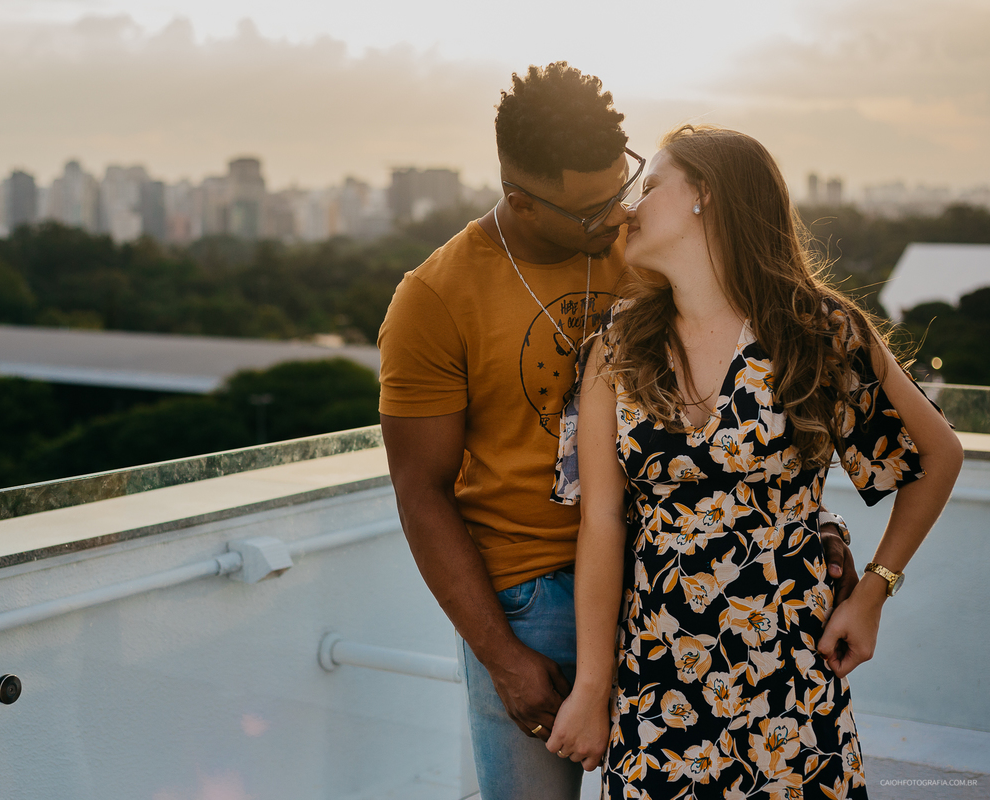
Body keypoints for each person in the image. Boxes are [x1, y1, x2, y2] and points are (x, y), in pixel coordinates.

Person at [377, 65, 859, 798]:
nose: (614, 217)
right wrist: (501, 654)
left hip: (668, 583)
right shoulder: (434, 298)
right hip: (528, 595)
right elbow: (421, 493)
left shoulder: (645, 247)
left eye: (622, 187)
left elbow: (745, 385)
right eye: (589, 208)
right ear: (519, 199)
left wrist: (808, 524)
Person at [544, 125, 963, 797]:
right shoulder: (615, 350)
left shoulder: (818, 333)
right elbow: (602, 525)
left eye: (650, 186)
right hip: (659, 678)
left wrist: (876, 590)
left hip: (788, 674)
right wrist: (593, 688)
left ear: (706, 195)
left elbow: (938, 455)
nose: (629, 208)